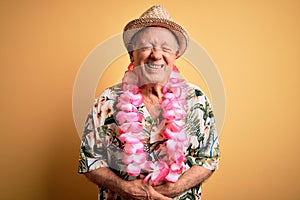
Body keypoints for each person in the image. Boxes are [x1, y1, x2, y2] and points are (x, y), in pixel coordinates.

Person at [78, 5, 220, 200]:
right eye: (146, 46)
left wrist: (172, 189)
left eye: (166, 47)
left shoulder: (197, 100)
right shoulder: (106, 101)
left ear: (175, 54)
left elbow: (209, 159)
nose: (156, 54)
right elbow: (89, 162)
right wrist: (125, 188)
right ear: (131, 54)